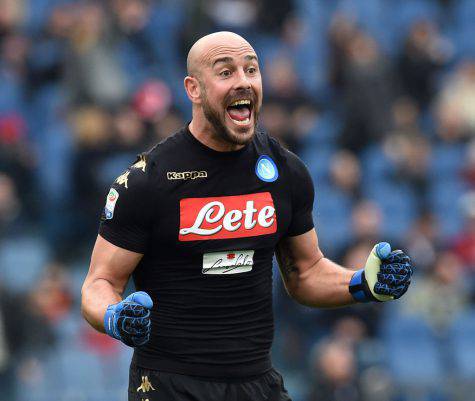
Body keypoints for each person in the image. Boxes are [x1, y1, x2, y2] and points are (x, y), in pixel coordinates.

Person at [81, 31, 413, 401]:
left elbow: (305, 273)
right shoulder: (146, 181)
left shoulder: (286, 171)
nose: (243, 81)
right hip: (170, 386)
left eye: (251, 70)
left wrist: (362, 284)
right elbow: (98, 284)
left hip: (257, 383)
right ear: (194, 89)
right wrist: (114, 316)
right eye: (226, 72)